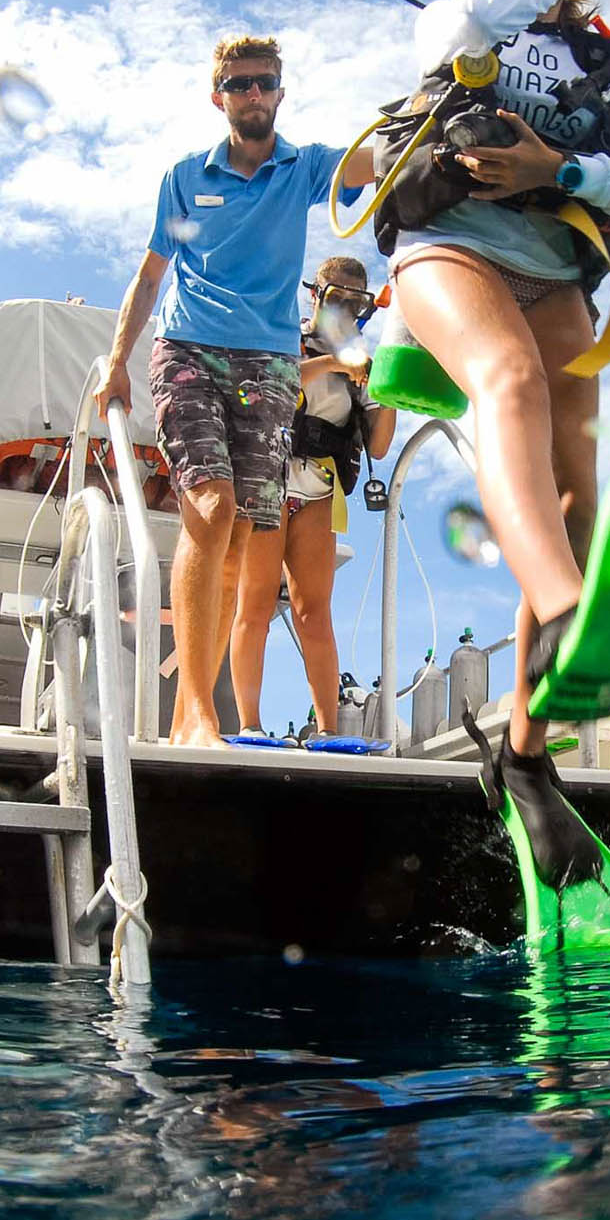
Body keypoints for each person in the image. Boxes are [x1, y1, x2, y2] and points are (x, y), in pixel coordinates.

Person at [385, 0, 610, 766]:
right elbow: (469, 24)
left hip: (554, 269)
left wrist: (561, 170)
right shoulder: (461, 18)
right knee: (506, 379)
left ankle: (526, 755)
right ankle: (566, 612)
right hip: (450, 242)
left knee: (577, 498)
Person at [95, 37, 374, 748]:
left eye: (265, 83)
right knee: (212, 507)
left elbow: (380, 161)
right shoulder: (188, 178)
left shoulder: (303, 168)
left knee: (243, 532)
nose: (253, 94)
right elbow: (152, 273)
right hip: (189, 349)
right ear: (217, 95)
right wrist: (116, 358)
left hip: (270, 364)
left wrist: (443, 114)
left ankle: (201, 709)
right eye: (239, 83)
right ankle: (196, 712)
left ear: (281, 92)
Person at [228, 256, 397, 737]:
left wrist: (390, 388)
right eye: (335, 297)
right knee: (256, 602)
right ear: (315, 296)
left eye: (355, 302)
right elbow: (267, 389)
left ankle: (327, 729)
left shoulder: (363, 363)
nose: (344, 309)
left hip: (318, 490)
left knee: (313, 609)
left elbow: (380, 445)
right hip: (268, 479)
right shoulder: (285, 336)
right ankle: (251, 725)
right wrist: (334, 361)